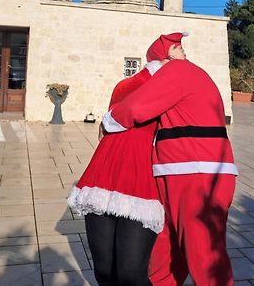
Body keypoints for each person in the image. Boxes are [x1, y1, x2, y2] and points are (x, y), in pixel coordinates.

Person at [102, 32, 238, 286]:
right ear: (160, 59)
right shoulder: (185, 73)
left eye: (178, 45)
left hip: (196, 174)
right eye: (174, 46)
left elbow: (136, 107)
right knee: (168, 250)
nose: (180, 48)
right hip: (185, 171)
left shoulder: (180, 71)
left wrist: (108, 120)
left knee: (204, 253)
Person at [67, 60, 164, 286]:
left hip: (143, 181)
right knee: (104, 270)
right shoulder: (125, 85)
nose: (182, 51)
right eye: (178, 47)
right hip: (104, 174)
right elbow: (108, 126)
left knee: (130, 274)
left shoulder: (177, 87)